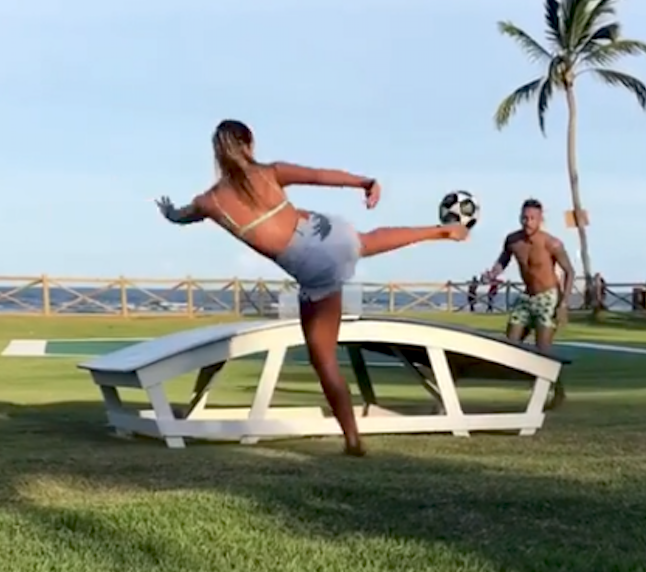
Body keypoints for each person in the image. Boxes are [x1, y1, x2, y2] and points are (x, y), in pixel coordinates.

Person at [155, 119, 470, 456]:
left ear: (217, 153)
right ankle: (437, 231)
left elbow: (185, 215)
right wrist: (365, 182)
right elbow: (321, 176)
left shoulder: (211, 201)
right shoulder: (271, 172)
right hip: (322, 233)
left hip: (311, 265)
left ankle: (352, 439)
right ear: (250, 144)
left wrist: (171, 213)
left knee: (324, 360)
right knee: (365, 241)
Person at [482, 199, 575, 353]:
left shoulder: (551, 243)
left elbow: (570, 271)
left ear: (540, 220)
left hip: (548, 298)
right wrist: (493, 273)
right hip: (527, 296)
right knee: (510, 345)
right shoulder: (513, 240)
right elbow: (503, 259)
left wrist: (563, 304)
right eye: (525, 218)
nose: (528, 222)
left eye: (532, 218)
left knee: (542, 352)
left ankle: (547, 375)